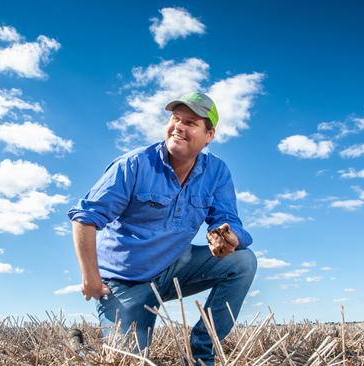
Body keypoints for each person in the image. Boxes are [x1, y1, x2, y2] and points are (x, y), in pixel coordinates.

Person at [67, 92, 257, 365]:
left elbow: (227, 219)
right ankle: (80, 347)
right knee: (127, 361)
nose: (179, 126)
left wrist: (228, 236)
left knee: (243, 261)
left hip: (174, 267)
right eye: (175, 118)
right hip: (126, 281)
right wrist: (90, 277)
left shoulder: (216, 172)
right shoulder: (134, 164)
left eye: (191, 122)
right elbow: (85, 218)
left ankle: (201, 355)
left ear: (209, 135)